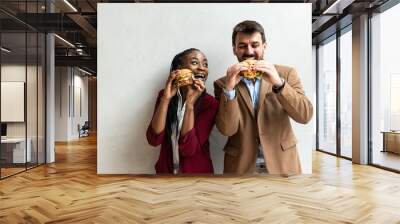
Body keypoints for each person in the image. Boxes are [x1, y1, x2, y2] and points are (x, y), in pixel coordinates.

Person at [213, 20, 313, 175]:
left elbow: (305, 116)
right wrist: (230, 89)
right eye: (242, 46)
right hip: (241, 164)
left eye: (255, 45)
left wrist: (279, 84)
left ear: (264, 46)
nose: (249, 51)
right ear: (234, 49)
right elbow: (227, 129)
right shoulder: (222, 83)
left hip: (282, 161)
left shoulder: (286, 74)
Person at [146, 48, 218, 174]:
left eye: (205, 64)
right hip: (165, 174)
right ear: (179, 68)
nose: (202, 68)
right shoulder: (164, 95)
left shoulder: (210, 103)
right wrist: (166, 99)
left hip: (198, 176)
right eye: (195, 62)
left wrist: (190, 104)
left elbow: (189, 149)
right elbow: (154, 140)